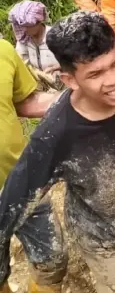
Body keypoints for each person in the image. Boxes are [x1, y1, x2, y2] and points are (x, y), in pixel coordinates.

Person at [0, 11, 115, 293]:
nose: (114, 81)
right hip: (105, 240)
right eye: (95, 74)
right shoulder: (55, 136)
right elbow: (13, 204)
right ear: (70, 80)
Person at [0, 38, 67, 293]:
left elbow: (24, 101)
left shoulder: (3, 50)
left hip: (23, 181)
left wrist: (79, 95)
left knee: (52, 260)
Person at [8, 0, 60, 73]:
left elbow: (74, 60)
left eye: (28, 26)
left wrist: (54, 68)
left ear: (38, 22)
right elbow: (21, 60)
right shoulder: (24, 38)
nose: (25, 29)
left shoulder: (56, 36)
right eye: (22, 26)